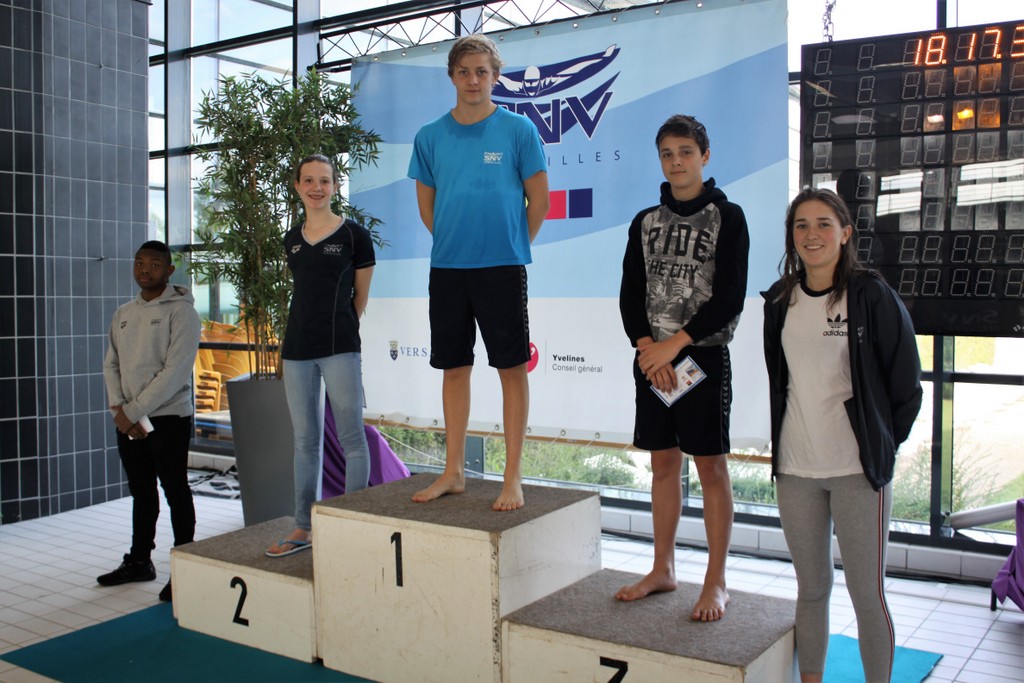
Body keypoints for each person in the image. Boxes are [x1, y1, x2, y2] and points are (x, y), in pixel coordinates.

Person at [762, 188, 922, 683]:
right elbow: (782, 380)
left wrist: (880, 446)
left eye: (823, 224)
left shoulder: (870, 296)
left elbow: (906, 386)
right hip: (797, 469)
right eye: (801, 225)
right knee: (811, 589)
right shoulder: (780, 300)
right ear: (791, 236)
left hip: (857, 471)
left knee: (867, 595)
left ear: (846, 233)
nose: (812, 235)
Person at [407, 34, 549, 512]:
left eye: (482, 72)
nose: (473, 80)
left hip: (502, 268)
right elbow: (428, 209)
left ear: (495, 77)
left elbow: (540, 201)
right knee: (454, 368)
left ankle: (513, 477)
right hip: (448, 268)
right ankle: (454, 471)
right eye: (464, 72)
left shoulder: (519, 130)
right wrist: (458, 241)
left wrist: (509, 245)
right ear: (452, 76)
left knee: (511, 368)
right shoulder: (430, 136)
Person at [618, 114, 749, 621]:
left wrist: (675, 345)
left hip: (701, 357)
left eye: (686, 152)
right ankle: (663, 568)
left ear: (705, 156)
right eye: (667, 154)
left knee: (711, 467)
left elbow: (730, 296)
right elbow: (631, 293)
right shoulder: (644, 222)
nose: (677, 162)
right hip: (653, 360)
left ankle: (716, 581)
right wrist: (648, 349)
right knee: (663, 465)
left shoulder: (728, 216)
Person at [265, 154, 376, 557]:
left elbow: (360, 297)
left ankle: (350, 523)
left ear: (335, 186)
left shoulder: (355, 236)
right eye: (309, 180)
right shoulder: (291, 239)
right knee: (305, 441)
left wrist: (341, 329)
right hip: (296, 349)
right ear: (297, 186)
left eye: (324, 181)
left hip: (339, 347)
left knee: (351, 438)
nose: (317, 188)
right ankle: (302, 526)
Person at [100, 241, 202, 602]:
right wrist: (119, 408)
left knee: (175, 490)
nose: (145, 270)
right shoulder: (124, 313)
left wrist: (133, 411)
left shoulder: (183, 313)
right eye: (140, 263)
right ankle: (140, 560)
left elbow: (174, 372)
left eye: (154, 264)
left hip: (168, 417)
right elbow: (111, 363)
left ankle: (185, 569)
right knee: (142, 492)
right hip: (129, 418)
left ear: (169, 270)